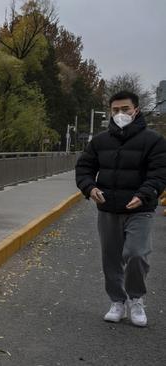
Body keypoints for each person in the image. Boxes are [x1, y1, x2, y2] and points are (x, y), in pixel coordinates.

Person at [76, 90, 166, 327]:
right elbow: (84, 168)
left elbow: (159, 173)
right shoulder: (100, 141)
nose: (120, 114)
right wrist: (90, 188)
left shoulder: (153, 141)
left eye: (125, 109)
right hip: (108, 209)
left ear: (136, 110)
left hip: (140, 209)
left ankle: (136, 299)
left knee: (136, 254)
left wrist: (144, 194)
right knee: (111, 259)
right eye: (115, 110)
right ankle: (117, 301)